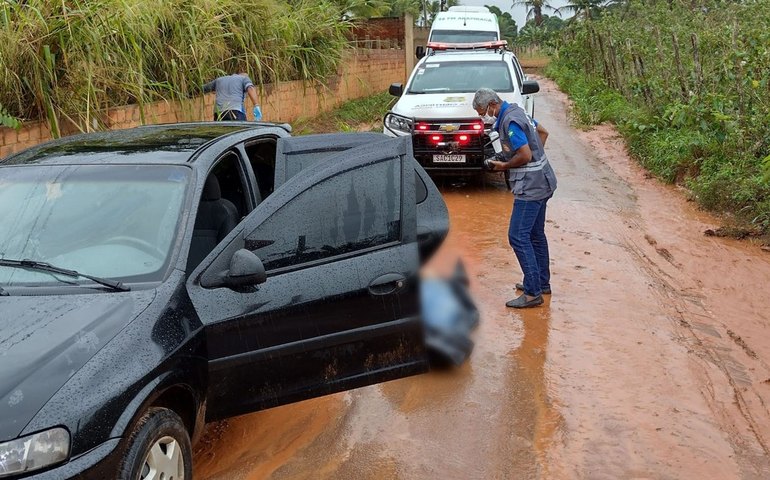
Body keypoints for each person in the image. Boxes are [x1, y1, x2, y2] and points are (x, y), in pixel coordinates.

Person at [473, 88, 557, 308]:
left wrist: (505, 165)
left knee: (518, 236)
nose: (484, 117)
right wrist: (533, 161)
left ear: (492, 104)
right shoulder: (518, 112)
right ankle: (540, 283)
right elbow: (543, 133)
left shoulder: (509, 122)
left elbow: (525, 154)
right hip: (544, 181)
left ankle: (532, 294)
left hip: (531, 188)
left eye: (483, 112)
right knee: (536, 234)